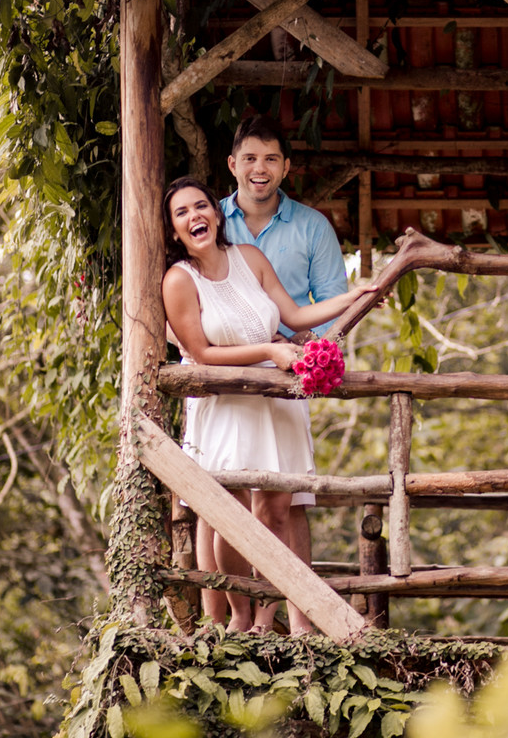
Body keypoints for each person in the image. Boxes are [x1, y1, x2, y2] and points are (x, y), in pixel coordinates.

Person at [161, 175, 373, 634]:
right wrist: (270, 353)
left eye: (200, 206)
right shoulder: (180, 280)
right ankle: (239, 616)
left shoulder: (250, 258)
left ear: (216, 214)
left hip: (275, 403)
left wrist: (352, 296)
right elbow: (200, 353)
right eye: (182, 213)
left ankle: (267, 616)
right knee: (230, 516)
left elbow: (294, 316)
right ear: (175, 230)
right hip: (228, 407)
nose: (195, 216)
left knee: (276, 513)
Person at [219, 115, 349, 634]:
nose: (260, 168)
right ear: (233, 164)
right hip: (221, 374)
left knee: (288, 495)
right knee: (221, 494)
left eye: (271, 158)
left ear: (286, 167)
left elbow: (334, 311)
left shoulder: (312, 226)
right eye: (250, 158)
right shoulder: (211, 218)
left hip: (288, 373)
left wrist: (304, 355)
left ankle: (300, 622)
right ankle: (233, 618)